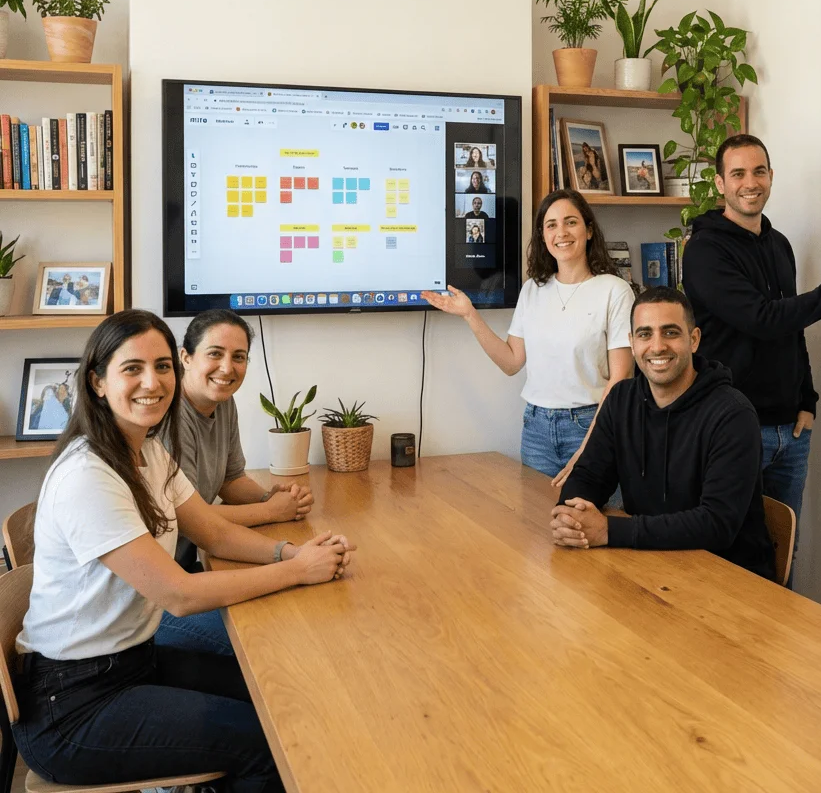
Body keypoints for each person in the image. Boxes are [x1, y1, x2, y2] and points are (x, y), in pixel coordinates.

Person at [11, 309, 354, 793]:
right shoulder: (88, 475)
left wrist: (288, 552)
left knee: (282, 700)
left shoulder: (147, 449)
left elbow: (214, 532)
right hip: (71, 706)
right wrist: (299, 571)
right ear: (98, 382)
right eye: (132, 368)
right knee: (273, 741)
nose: (153, 381)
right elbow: (179, 595)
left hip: (133, 661)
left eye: (163, 366)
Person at [681, 134, 821, 573]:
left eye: (759, 171)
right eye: (737, 173)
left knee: (783, 554)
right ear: (720, 183)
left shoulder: (778, 244)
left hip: (789, 433)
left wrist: (807, 401)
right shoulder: (704, 250)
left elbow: (789, 328)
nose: (750, 182)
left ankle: (778, 645)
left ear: (771, 177)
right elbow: (763, 318)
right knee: (734, 559)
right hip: (734, 429)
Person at [550, 287, 775, 579]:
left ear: (694, 340)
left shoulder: (733, 414)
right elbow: (589, 476)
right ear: (631, 343)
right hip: (651, 565)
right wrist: (570, 516)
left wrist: (608, 530)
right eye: (644, 334)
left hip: (729, 578)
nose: (657, 347)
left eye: (670, 332)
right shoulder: (621, 399)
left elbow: (716, 525)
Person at [422, 189, 634, 480]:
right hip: (537, 430)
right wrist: (470, 315)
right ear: (543, 237)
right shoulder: (533, 289)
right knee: (536, 524)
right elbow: (511, 362)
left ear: (589, 230)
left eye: (571, 222)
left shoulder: (614, 290)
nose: (561, 232)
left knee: (592, 520)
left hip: (591, 424)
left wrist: (589, 445)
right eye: (551, 225)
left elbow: (621, 380)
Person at [155, 308, 315, 656]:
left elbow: (229, 481)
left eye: (238, 357)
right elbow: (193, 521)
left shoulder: (222, 403)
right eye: (215, 353)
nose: (228, 368)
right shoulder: (169, 418)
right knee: (279, 634)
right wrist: (272, 512)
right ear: (186, 357)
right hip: (159, 598)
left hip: (187, 569)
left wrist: (269, 497)